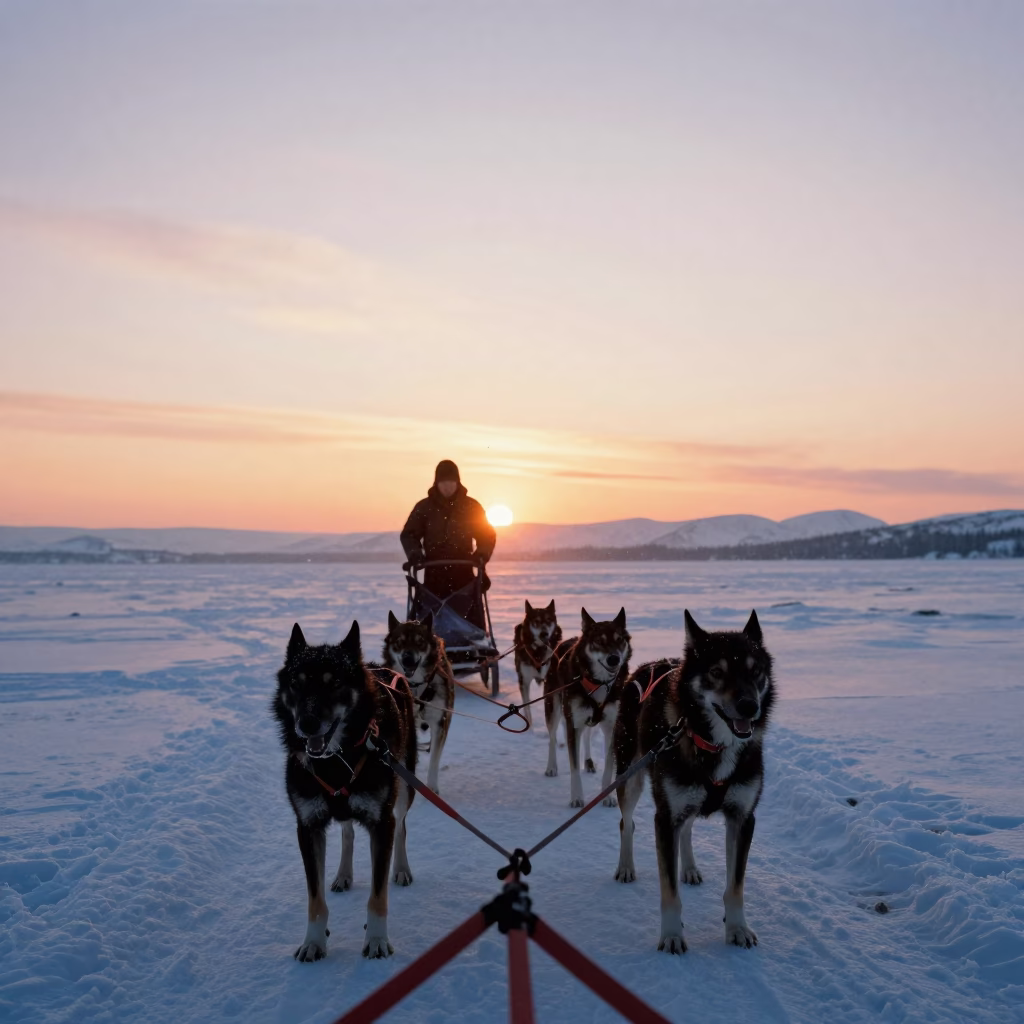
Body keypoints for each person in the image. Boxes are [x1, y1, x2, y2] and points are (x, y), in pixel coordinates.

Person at [400, 460, 496, 629]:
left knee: (470, 615)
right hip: (433, 575)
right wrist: (415, 553)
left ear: (458, 483)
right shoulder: (424, 507)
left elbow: (486, 534)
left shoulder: (471, 507)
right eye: (443, 483)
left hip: (464, 574)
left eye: (451, 482)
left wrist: (482, 554)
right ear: (436, 483)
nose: (447, 487)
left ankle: (476, 645)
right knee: (427, 616)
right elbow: (409, 534)